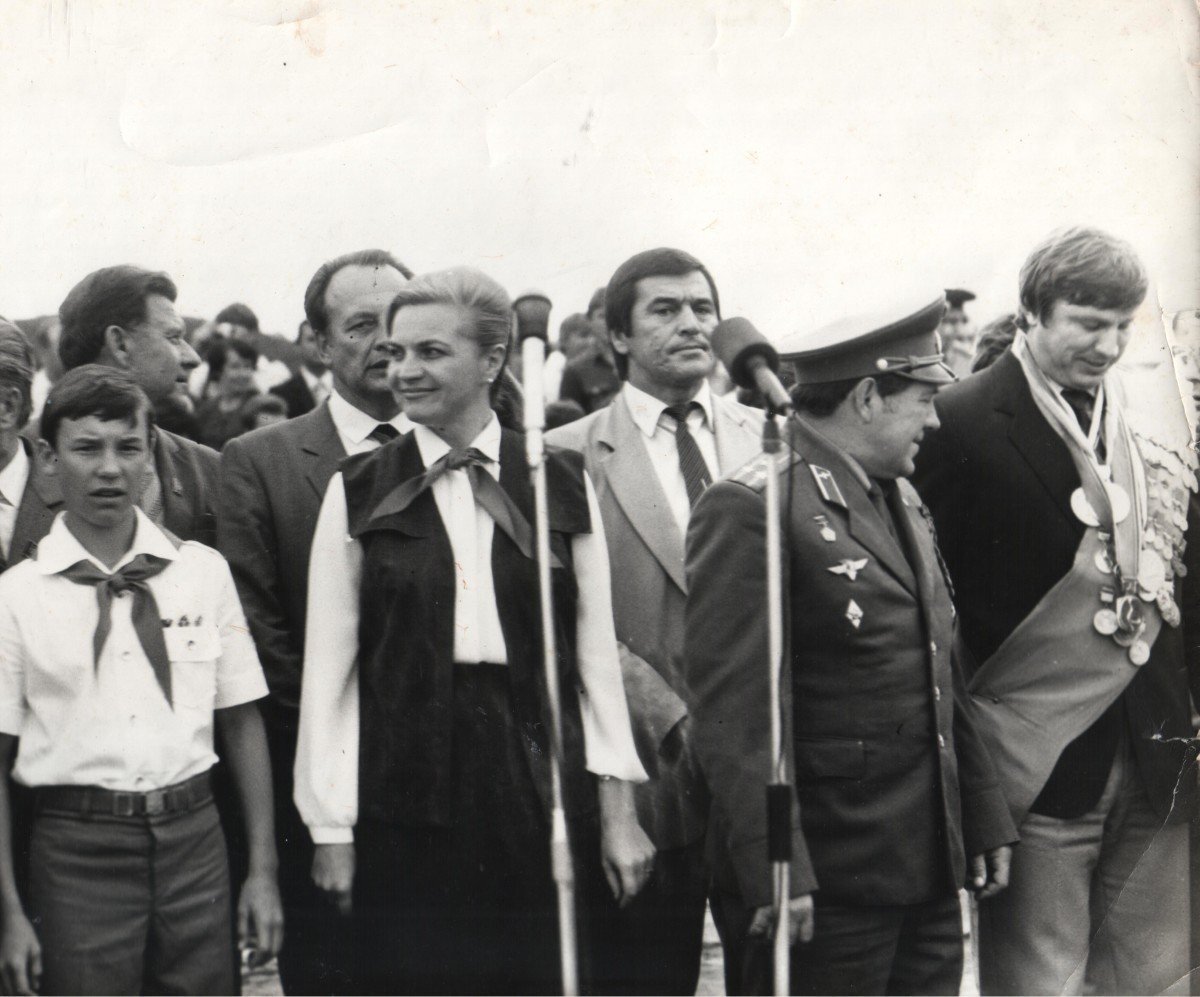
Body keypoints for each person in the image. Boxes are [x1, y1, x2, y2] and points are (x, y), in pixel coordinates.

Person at [295, 267, 653, 993]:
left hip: (538, 775)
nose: (405, 370)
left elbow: (593, 661)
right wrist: (331, 828)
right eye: (396, 352)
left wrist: (619, 810)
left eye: (430, 351)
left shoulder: (558, 479)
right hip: (406, 781)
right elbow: (329, 674)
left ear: (492, 360)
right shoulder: (357, 488)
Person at [685, 296, 1017, 996]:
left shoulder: (903, 495)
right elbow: (735, 715)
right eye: (924, 399)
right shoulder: (753, 505)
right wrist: (776, 865)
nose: (934, 420)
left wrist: (981, 815)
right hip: (823, 886)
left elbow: (939, 667)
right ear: (867, 397)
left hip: (924, 868)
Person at [912, 227, 1200, 995]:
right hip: (1034, 770)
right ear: (1032, 312)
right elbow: (931, 616)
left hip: (1157, 756)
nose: (1109, 346)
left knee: (1163, 981)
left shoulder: (1151, 421)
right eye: (1088, 322)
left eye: (1122, 325)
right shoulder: (955, 420)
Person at [0, 366, 283, 996]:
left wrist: (262, 872)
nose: (110, 469)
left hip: (195, 841)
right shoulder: (16, 597)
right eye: (86, 448)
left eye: (128, 447)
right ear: (48, 458)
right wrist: (10, 912)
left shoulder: (201, 573)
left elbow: (242, 721)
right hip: (76, 851)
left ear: (150, 454)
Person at [548, 247, 763, 994]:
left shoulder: (772, 438)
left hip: (761, 776)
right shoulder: (566, 455)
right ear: (618, 335)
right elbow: (565, 620)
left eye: (703, 308)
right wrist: (667, 713)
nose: (691, 324)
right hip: (646, 775)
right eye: (665, 310)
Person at [217, 248, 412, 995]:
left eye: (400, 320)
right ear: (319, 345)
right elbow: (259, 636)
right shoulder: (258, 461)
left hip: (450, 796)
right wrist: (356, 747)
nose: (387, 341)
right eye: (361, 326)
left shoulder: (461, 453)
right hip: (322, 791)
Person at [57, 265, 218, 547]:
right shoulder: (21, 466)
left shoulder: (208, 468)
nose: (192, 357)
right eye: (173, 337)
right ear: (120, 344)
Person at [559, 287, 621, 414]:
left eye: (613, 315)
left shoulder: (637, 362)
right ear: (589, 321)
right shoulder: (575, 370)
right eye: (601, 316)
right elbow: (568, 418)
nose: (608, 322)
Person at [194, 339, 262, 450]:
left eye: (247, 366)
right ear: (218, 370)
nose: (243, 374)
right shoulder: (205, 409)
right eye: (235, 367)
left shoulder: (260, 407)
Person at [270, 320, 332, 418]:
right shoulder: (281, 394)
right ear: (299, 345)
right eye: (311, 340)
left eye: (323, 340)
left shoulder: (349, 388)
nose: (318, 346)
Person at [940, 288, 977, 379]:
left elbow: (970, 338)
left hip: (961, 357)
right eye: (953, 320)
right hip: (949, 357)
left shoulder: (967, 323)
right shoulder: (945, 322)